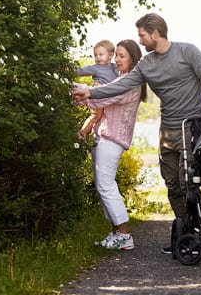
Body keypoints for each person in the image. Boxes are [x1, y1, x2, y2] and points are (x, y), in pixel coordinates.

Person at [73, 13, 201, 255]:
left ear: (155, 34)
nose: (140, 41)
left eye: (142, 36)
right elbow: (120, 85)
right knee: (172, 185)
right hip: (166, 130)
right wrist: (91, 93)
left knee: (188, 183)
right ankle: (187, 234)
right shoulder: (146, 64)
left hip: (190, 128)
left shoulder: (188, 52)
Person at [76, 39, 147, 251]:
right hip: (104, 137)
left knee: (106, 186)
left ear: (133, 59)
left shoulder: (129, 83)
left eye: (122, 56)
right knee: (102, 186)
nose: (116, 59)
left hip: (112, 139)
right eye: (116, 55)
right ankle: (116, 233)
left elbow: (100, 99)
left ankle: (124, 234)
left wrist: (74, 88)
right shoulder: (122, 78)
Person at [76, 40, 119, 140]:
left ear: (110, 55)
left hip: (108, 99)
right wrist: (67, 70)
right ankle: (82, 133)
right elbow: (80, 71)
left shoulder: (115, 67)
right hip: (97, 97)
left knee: (104, 119)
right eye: (95, 55)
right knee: (95, 116)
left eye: (101, 54)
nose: (97, 57)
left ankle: (95, 135)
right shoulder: (95, 68)